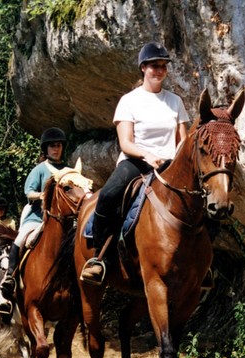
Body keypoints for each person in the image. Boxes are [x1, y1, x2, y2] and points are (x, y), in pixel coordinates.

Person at [80, 41, 190, 285]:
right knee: (109, 194)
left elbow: (183, 140)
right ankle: (99, 258)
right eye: (154, 66)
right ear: (143, 68)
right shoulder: (129, 101)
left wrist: (178, 161)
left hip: (170, 167)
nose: (160, 70)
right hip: (136, 162)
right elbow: (126, 143)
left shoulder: (176, 102)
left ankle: (201, 263)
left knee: (204, 199)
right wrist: (147, 155)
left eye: (163, 66)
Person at [0, 127, 69, 307]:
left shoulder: (69, 170)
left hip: (64, 220)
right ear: (45, 149)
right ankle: (10, 277)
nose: (56, 149)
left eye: (59, 145)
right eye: (52, 146)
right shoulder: (39, 169)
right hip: (37, 218)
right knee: (20, 239)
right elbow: (28, 192)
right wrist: (42, 195)